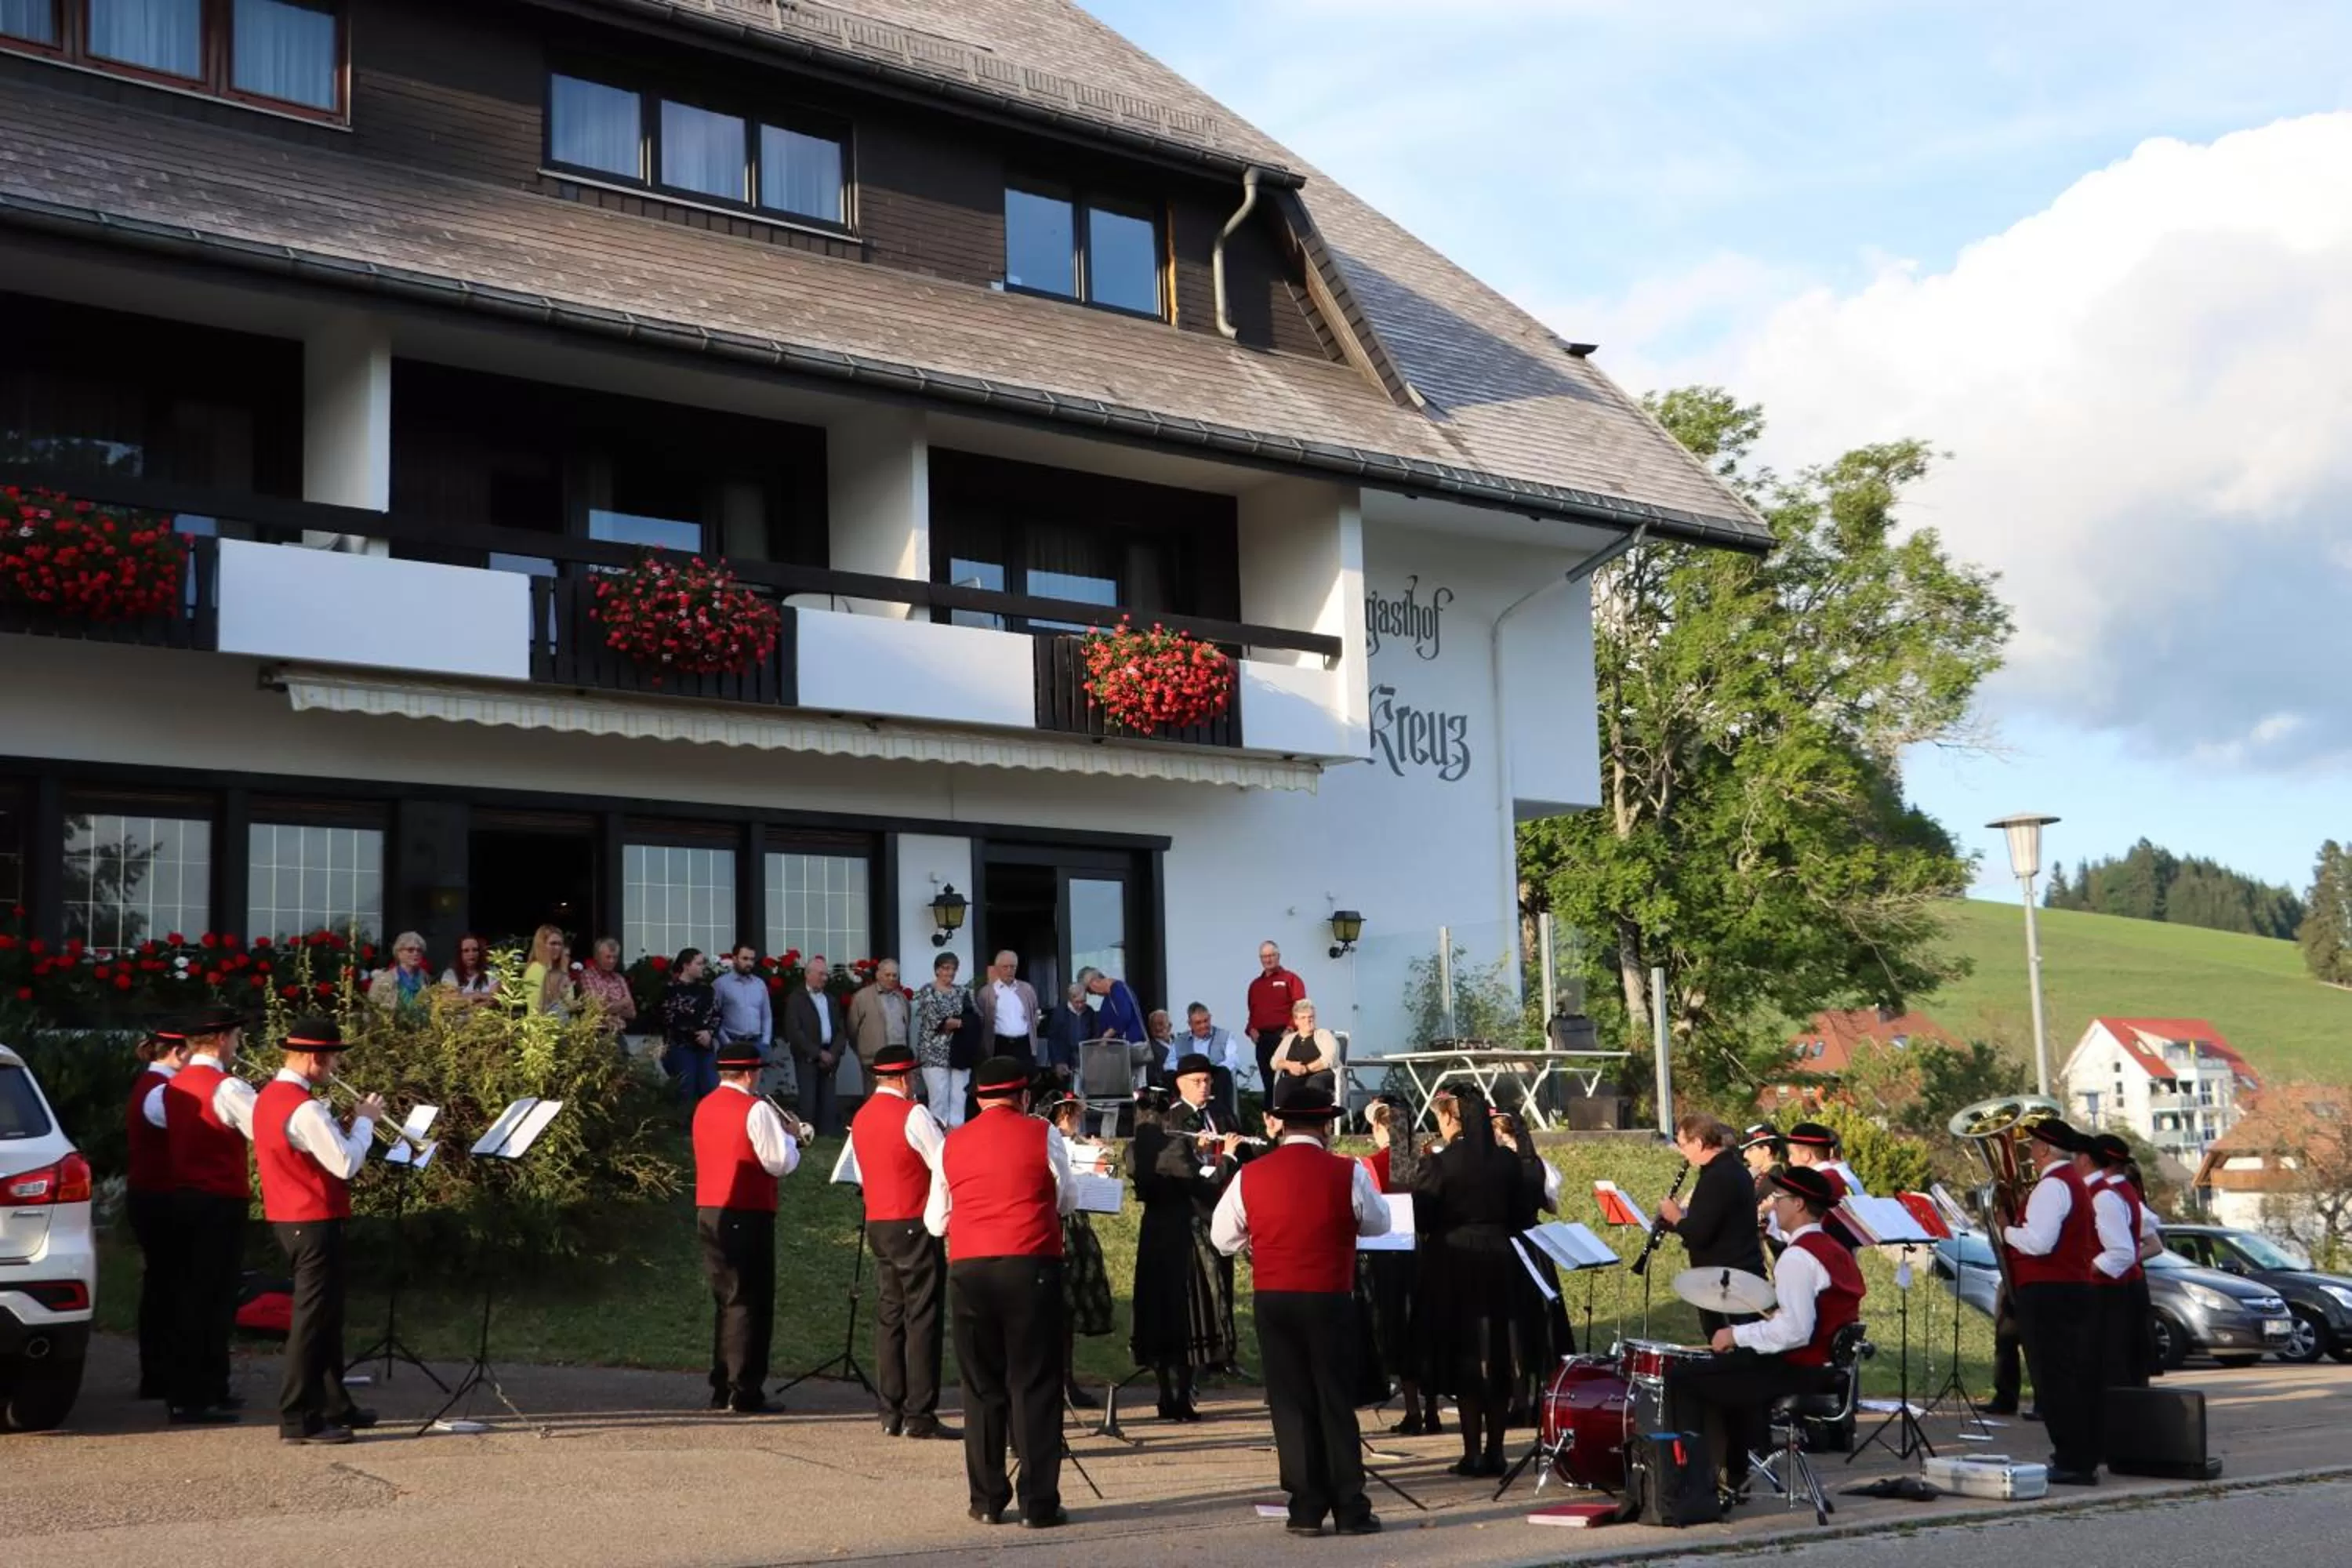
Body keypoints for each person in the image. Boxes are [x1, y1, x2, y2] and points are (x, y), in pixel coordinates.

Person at [1211, 1084, 1389, 1538]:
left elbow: (1222, 1239)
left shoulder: (1251, 1174)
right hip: (1330, 1294)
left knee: (1290, 1403)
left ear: (1282, 1125)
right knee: (1334, 1399)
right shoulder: (1346, 1171)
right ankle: (1350, 1506)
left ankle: (1305, 1508)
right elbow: (1379, 1222)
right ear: (1326, 1126)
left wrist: (1258, 1239)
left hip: (1275, 1297)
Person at [924, 1057, 1079, 1530]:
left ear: (978, 1098)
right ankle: (1038, 1503)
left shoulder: (951, 1143)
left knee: (981, 1387)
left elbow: (934, 1221)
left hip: (970, 1271)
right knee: (1033, 1383)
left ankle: (987, 1500)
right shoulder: (1041, 1133)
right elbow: (1067, 1197)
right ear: (1025, 1096)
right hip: (1030, 1264)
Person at [1679, 1165, 1868, 1499]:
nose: (1772, 1205)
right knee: (1726, 1371)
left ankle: (1709, 1480)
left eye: (1778, 1198)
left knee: (1686, 1379)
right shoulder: (1835, 1250)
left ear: (1798, 1204)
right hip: (1826, 1368)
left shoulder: (1798, 1257)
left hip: (1798, 1368)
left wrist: (1736, 1336)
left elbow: (1795, 1331)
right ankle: (1732, 1474)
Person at [253, 1017, 382, 1444]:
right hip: (311, 1219)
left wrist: (341, 1126)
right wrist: (365, 1122)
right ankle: (297, 1417)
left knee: (325, 1317)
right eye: (332, 1061)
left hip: (292, 1217)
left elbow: (309, 1150)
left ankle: (334, 1405)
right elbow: (345, 1163)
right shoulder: (304, 1107)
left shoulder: (271, 1095)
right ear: (315, 1058)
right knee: (311, 1321)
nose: (334, 1070)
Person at [1409, 1085, 1540, 1476]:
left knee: (1465, 1352)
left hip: (1454, 1261)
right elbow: (1523, 1211)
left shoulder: (1443, 1162)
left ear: (1455, 1118)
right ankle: (1496, 1450)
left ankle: (1472, 1452)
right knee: (1498, 1352)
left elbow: (1423, 1216)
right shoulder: (1505, 1161)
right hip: (1500, 1258)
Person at [153, 1004, 257, 1425]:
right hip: (218, 1199)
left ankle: (209, 1386)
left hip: (185, 1198)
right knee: (211, 1297)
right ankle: (194, 1395)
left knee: (196, 1295)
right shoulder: (227, 1087)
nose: (237, 1044)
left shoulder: (173, 1086)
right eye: (234, 1037)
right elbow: (262, 1128)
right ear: (220, 1040)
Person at [849, 1043, 953, 1439]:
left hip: (879, 1221)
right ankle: (919, 1413)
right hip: (912, 1218)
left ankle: (889, 1409)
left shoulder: (860, 1117)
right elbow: (942, 1163)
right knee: (922, 1316)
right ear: (905, 1078)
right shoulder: (914, 1114)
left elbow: (861, 1173)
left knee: (890, 1315)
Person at [1129, 1059, 1242, 1420]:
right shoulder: (1174, 1144)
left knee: (1159, 1309)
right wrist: (1227, 1158)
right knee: (1186, 1312)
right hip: (1182, 1231)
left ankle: (1167, 1393)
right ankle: (1179, 1396)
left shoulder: (1135, 1149)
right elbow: (1200, 1182)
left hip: (1155, 1234)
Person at [692, 1038, 800, 1414]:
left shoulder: (704, 1106)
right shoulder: (755, 1110)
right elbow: (778, 1163)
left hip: (710, 1209)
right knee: (749, 1300)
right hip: (746, 1210)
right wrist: (794, 1138)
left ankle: (722, 1385)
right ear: (751, 1073)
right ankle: (744, 1389)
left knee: (725, 1299)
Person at [2002, 1116, 2102, 1485]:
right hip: (2068, 1289)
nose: (2029, 1153)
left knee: (2055, 1378)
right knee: (2068, 1376)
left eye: (2032, 1147)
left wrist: (2005, 1230)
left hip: (2049, 1292)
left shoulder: (2051, 1186)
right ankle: (2075, 1455)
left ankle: (2073, 1460)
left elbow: (2039, 1242)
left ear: (2044, 1149)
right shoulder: (2071, 1182)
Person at [1655, 1112, 1771, 1337]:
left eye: (1683, 1145)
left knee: (1727, 1348)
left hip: (1727, 1282)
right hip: (1736, 1277)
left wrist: (1676, 1216)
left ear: (1698, 1143)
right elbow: (1716, 1220)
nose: (1682, 1152)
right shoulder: (1731, 1169)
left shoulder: (1718, 1177)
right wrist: (1676, 1222)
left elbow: (1699, 1234)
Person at [1493, 1108, 1573, 1419]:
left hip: (1510, 1246)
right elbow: (1551, 1206)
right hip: (1536, 1246)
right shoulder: (1539, 1164)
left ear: (1501, 1133)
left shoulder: (1500, 1166)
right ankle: (1543, 1394)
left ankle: (1518, 1399)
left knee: (1514, 1323)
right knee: (1539, 1320)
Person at [125, 1023, 188, 1400]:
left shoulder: (157, 1087)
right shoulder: (161, 1092)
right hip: (157, 1197)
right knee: (165, 1286)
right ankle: (159, 1372)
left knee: (165, 1284)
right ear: (178, 1053)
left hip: (153, 1194)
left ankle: (162, 1370)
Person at [1040, 1089, 1116, 1408]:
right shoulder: (1056, 1143)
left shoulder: (1074, 1144)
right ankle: (1058, 1383)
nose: (1079, 1120)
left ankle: (1067, 1382)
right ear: (1064, 1115)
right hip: (1063, 1227)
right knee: (1060, 1309)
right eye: (1075, 1114)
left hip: (1074, 1226)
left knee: (1067, 1313)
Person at [1361, 1097, 1432, 1433]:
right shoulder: (1424, 1159)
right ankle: (1431, 1409)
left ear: (1378, 1127)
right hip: (1426, 1250)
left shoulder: (1373, 1164)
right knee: (1426, 1327)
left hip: (1390, 1255)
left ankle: (1413, 1409)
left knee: (1400, 1329)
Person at [2082, 1132, 2155, 1394]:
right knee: (2123, 1353)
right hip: (2129, 1279)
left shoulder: (2108, 1193)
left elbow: (2147, 1246)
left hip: (2114, 1282)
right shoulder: (2123, 1190)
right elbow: (2149, 1240)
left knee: (2112, 1354)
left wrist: (2095, 1266)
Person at [786, 958, 851, 1135]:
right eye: (821, 974)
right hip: (807, 1057)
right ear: (808, 974)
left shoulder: (830, 999)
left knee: (828, 1099)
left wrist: (833, 1053)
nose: (825, 978)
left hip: (829, 1055)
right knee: (808, 1100)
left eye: (826, 974)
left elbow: (840, 1029)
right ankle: (807, 1136)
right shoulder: (796, 999)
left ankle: (827, 1136)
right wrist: (817, 1053)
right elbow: (795, 1032)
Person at [913, 953, 975, 1129]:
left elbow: (971, 1019)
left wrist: (956, 1022)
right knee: (938, 1098)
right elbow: (936, 1020)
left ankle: (956, 1138)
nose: (950, 972)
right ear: (937, 970)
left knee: (959, 1097)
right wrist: (956, 1022)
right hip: (934, 1054)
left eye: (953, 969)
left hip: (959, 1052)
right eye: (946, 968)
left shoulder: (962, 991)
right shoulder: (928, 990)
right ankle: (936, 1139)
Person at [1781, 1121, 1864, 1249]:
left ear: (1806, 1155)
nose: (1790, 1160)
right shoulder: (1835, 1176)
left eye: (1792, 1154)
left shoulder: (1815, 1184)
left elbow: (1796, 1231)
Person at [1246, 940, 1308, 1102]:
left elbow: (1300, 1007)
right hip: (1263, 1041)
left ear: (1279, 956)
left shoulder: (1290, 979)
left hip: (1285, 1037)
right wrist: (1251, 1030)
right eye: (1264, 956)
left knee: (1286, 1083)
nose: (1268, 959)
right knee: (1268, 1084)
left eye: (1272, 955)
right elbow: (1252, 1013)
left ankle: (1290, 1121)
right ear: (1260, 959)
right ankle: (1271, 1121)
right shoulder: (1255, 985)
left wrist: (1289, 1028)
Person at [660, 948, 722, 1105]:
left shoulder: (707, 990)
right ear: (686, 966)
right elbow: (670, 1019)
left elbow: (716, 1015)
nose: (703, 967)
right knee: (686, 1089)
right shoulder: (670, 990)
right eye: (699, 963)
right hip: (680, 1046)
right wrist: (697, 1034)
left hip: (705, 1047)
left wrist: (709, 1033)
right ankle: (684, 1126)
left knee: (711, 1087)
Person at [847, 958, 910, 1098]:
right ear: (878, 975)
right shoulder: (862, 997)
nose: (892, 978)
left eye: (895, 975)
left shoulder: (902, 999)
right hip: (873, 1061)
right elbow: (852, 1030)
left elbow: (907, 1027)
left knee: (898, 1100)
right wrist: (863, 1052)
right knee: (874, 1100)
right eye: (888, 975)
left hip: (898, 1062)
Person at [1182, 1003, 1250, 1123]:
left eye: (1206, 1021)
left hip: (1216, 1076)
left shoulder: (1225, 1036)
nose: (1204, 1025)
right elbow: (1169, 1063)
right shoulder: (1180, 1041)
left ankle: (1222, 1119)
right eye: (1198, 1023)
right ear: (1190, 1024)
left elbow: (1233, 1059)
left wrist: (1213, 1070)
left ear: (1210, 1018)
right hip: (1190, 1078)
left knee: (1222, 1073)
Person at [713, 944, 775, 1076]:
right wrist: (726, 1042)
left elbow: (766, 1015)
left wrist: (765, 1041)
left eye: (752, 959)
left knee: (753, 1086)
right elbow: (714, 1016)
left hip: (756, 1043)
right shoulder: (721, 984)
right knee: (733, 1086)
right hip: (732, 1041)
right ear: (735, 959)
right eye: (745, 959)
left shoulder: (759, 984)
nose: (749, 963)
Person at [1270, 997, 1339, 1109]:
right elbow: (1274, 1062)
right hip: (1297, 1076)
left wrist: (1306, 1069)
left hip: (1323, 1075)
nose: (1308, 1021)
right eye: (1303, 1018)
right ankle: (1284, 1122)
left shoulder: (1324, 1035)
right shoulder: (1289, 1039)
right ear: (1296, 1021)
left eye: (1311, 1017)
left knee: (1314, 1082)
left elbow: (1329, 1059)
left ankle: (1315, 1122)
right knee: (1284, 1083)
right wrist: (1288, 1065)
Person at [979, 950, 1040, 1071]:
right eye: (1005, 967)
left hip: (1023, 1044)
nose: (1009, 970)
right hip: (1000, 1045)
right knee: (1003, 1083)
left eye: (1013, 967)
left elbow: (1035, 1013)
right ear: (997, 968)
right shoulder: (986, 993)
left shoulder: (1027, 989)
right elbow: (982, 1020)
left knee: (1026, 1082)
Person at [575, 937, 637, 1040]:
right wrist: (622, 1003)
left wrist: (608, 1006)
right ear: (597, 957)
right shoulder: (587, 976)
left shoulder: (619, 978)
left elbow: (632, 1013)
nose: (612, 961)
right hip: (597, 1034)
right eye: (608, 957)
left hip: (619, 1034)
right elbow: (597, 1008)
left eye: (615, 957)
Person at [368, 931, 434, 1020]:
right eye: (410, 950)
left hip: (421, 1030)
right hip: (393, 1030)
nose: (416, 953)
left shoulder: (426, 978)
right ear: (399, 953)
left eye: (419, 950)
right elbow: (371, 1011)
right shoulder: (383, 979)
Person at [1077, 966, 1145, 1047]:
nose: (1091, 994)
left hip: (1128, 1045)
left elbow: (1124, 1016)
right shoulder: (1108, 997)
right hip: (1119, 1048)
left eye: (1088, 990)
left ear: (1094, 982)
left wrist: (1107, 1035)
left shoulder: (1118, 989)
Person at [1042, 982, 1092, 1083]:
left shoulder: (1089, 1012)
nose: (1080, 1005)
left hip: (1085, 1058)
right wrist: (1058, 1062)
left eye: (1083, 1001)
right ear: (1070, 999)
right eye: (1077, 1002)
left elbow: (1094, 1034)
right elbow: (1053, 1039)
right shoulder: (1060, 1012)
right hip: (1065, 1058)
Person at [522, 924, 574, 1015]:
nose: (557, 948)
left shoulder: (560, 970)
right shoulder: (536, 969)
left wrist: (564, 971)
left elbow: (570, 1002)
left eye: (560, 944)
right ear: (541, 945)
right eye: (553, 944)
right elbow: (537, 1006)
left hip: (563, 1025)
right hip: (541, 1026)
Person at [439, 932, 497, 1002]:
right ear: (460, 954)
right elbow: (449, 999)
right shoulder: (450, 975)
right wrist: (476, 996)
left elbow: (495, 998)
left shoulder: (492, 972)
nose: (471, 954)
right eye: (466, 951)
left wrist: (474, 997)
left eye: (475, 950)